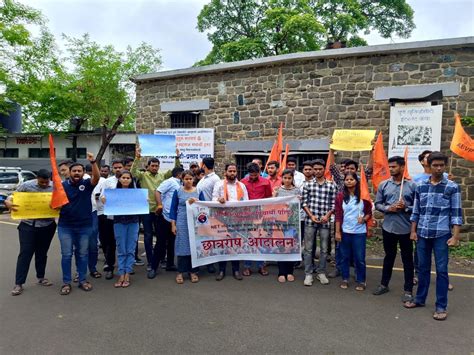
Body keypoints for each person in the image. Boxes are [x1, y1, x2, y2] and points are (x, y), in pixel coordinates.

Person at [404, 152, 463, 321]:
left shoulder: (452, 187)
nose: (438, 168)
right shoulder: (421, 186)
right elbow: (416, 211)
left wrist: (455, 237)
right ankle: (420, 299)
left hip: (441, 235)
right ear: (429, 166)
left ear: (445, 166)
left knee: (442, 271)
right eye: (435, 165)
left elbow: (456, 213)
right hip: (422, 233)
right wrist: (413, 231)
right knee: (422, 269)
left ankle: (441, 305)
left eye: (441, 165)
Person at [6, 169, 57, 296]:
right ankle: (19, 283)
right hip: (28, 225)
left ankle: (41, 277)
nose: (44, 184)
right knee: (25, 253)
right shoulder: (27, 185)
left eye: (46, 182)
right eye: (41, 182)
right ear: (37, 178)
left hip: (47, 225)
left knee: (42, 253)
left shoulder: (55, 187)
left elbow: (62, 200)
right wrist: (8, 201)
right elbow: (13, 195)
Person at [373, 156, 416, 302]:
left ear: (402, 167)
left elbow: (418, 208)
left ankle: (408, 290)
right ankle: (384, 284)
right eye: (389, 167)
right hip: (388, 227)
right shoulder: (384, 185)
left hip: (406, 229)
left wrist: (406, 208)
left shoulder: (412, 186)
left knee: (407, 260)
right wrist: (388, 208)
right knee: (388, 257)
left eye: (394, 167)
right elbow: (377, 204)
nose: (391, 169)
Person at [131, 146, 180, 271]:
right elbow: (132, 173)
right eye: (152, 165)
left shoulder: (163, 176)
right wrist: (137, 158)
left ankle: (162, 259)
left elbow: (176, 171)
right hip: (146, 210)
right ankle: (151, 261)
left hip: (160, 211)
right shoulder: (143, 176)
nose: (154, 167)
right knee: (147, 236)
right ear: (148, 166)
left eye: (156, 166)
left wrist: (177, 157)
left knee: (160, 237)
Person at [57, 152, 100, 295]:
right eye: (74, 171)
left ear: (83, 173)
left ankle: (82, 280)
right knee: (67, 255)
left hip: (84, 226)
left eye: (79, 171)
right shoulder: (61, 186)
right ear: (69, 172)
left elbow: (97, 178)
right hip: (65, 226)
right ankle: (66, 282)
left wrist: (93, 162)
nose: (76, 173)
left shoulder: (87, 185)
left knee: (82, 254)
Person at [335, 172, 372, 291]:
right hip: (345, 231)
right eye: (347, 179)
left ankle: (361, 280)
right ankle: (345, 278)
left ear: (356, 181)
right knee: (344, 257)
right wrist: (337, 232)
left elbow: (369, 213)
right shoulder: (340, 196)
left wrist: (364, 219)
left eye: (351, 179)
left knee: (359, 258)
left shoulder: (363, 197)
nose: (349, 181)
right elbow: (338, 215)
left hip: (359, 233)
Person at [102, 170, 140, 288]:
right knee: (121, 248)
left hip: (133, 222)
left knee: (131, 248)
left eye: (128, 178)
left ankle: (127, 273)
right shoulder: (114, 193)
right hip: (119, 222)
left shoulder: (136, 193)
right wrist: (105, 201)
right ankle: (121, 273)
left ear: (131, 180)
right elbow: (106, 203)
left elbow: (142, 206)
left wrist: (144, 201)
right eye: (123, 177)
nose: (125, 180)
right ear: (119, 179)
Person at [301, 159, 336, 286]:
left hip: (325, 222)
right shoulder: (308, 184)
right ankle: (308, 273)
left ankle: (321, 272)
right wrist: (311, 216)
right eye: (315, 169)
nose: (317, 171)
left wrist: (327, 215)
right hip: (310, 221)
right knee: (308, 248)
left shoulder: (331, 185)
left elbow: (333, 204)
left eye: (320, 169)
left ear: (324, 170)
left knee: (324, 249)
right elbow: (304, 203)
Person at [212, 163, 249, 281]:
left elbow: (247, 202)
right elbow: (213, 199)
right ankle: (221, 270)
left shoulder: (242, 186)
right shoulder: (218, 185)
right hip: (222, 219)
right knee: (223, 244)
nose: (232, 173)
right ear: (225, 172)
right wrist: (219, 200)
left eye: (234, 171)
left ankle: (236, 270)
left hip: (237, 219)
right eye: (230, 171)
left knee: (235, 244)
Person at [148, 167, 184, 278]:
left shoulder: (181, 184)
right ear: (179, 174)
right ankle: (153, 267)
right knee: (160, 243)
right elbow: (158, 191)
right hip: (165, 216)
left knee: (172, 242)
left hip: (175, 217)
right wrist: (160, 205)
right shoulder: (170, 182)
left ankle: (170, 264)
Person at [169, 170, 204, 284]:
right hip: (182, 221)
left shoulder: (198, 191)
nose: (188, 181)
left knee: (194, 245)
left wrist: (196, 201)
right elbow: (173, 209)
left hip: (196, 221)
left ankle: (193, 271)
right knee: (182, 245)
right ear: (182, 180)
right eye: (186, 179)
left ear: (193, 179)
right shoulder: (178, 191)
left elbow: (205, 206)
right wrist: (173, 225)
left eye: (190, 179)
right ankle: (180, 271)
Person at [241, 162, 272, 276]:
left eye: (255, 175)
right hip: (247, 216)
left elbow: (269, 198)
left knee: (261, 240)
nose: (253, 177)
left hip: (262, 216)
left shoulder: (266, 182)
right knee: (248, 240)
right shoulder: (243, 182)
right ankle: (247, 266)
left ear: (259, 172)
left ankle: (261, 265)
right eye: (251, 175)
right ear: (248, 173)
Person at [98, 159, 124, 280]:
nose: (118, 169)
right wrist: (108, 201)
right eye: (116, 167)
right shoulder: (108, 182)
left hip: (126, 218)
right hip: (111, 217)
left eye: (120, 167)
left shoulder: (129, 180)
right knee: (110, 244)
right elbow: (102, 197)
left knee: (124, 244)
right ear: (112, 169)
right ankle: (110, 268)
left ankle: (124, 269)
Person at [273, 169, 300, 283]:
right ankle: (281, 272)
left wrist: (299, 200)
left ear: (292, 178)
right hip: (280, 223)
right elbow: (272, 205)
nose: (287, 180)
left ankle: (290, 271)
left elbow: (299, 206)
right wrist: (274, 196)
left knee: (290, 247)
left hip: (292, 223)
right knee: (281, 247)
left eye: (289, 178)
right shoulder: (278, 190)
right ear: (282, 179)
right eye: (285, 178)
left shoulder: (297, 191)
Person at [196, 157, 221, 274]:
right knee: (202, 237)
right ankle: (202, 260)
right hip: (201, 212)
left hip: (210, 212)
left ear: (203, 165)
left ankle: (210, 263)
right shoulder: (204, 178)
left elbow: (216, 196)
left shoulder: (215, 179)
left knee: (209, 238)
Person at [122, 157, 145, 267]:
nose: (130, 170)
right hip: (122, 215)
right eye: (128, 166)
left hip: (135, 212)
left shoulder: (137, 180)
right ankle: (123, 262)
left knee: (134, 236)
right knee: (122, 239)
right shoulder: (119, 183)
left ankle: (133, 257)